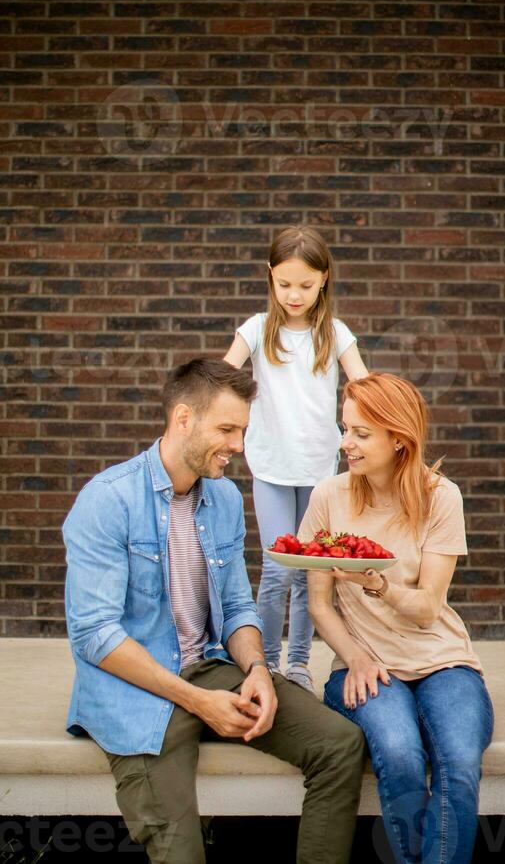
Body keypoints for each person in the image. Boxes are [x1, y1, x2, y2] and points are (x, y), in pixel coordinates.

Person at [63, 358, 366, 864]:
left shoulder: (223, 498)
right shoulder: (107, 501)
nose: (238, 447)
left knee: (339, 744)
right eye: (227, 429)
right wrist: (199, 702)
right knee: (180, 851)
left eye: (243, 431)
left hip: (207, 669)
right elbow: (94, 635)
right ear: (183, 419)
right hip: (133, 692)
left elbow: (236, 607)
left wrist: (257, 672)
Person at [301, 372, 494, 864]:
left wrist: (378, 584)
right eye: (345, 429)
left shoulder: (440, 496)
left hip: (443, 659)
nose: (347, 444)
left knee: (458, 762)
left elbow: (429, 605)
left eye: (361, 434)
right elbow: (319, 604)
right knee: (402, 756)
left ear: (399, 439)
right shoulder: (329, 496)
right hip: (366, 664)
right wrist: (354, 655)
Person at [224, 226, 368, 694]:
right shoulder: (256, 329)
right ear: (271, 277)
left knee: (311, 575)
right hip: (270, 467)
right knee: (277, 569)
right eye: (285, 284)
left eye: (305, 285)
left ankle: (300, 664)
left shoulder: (335, 333)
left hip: (319, 469)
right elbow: (225, 376)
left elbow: (364, 385)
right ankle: (263, 664)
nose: (294, 294)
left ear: (324, 280)